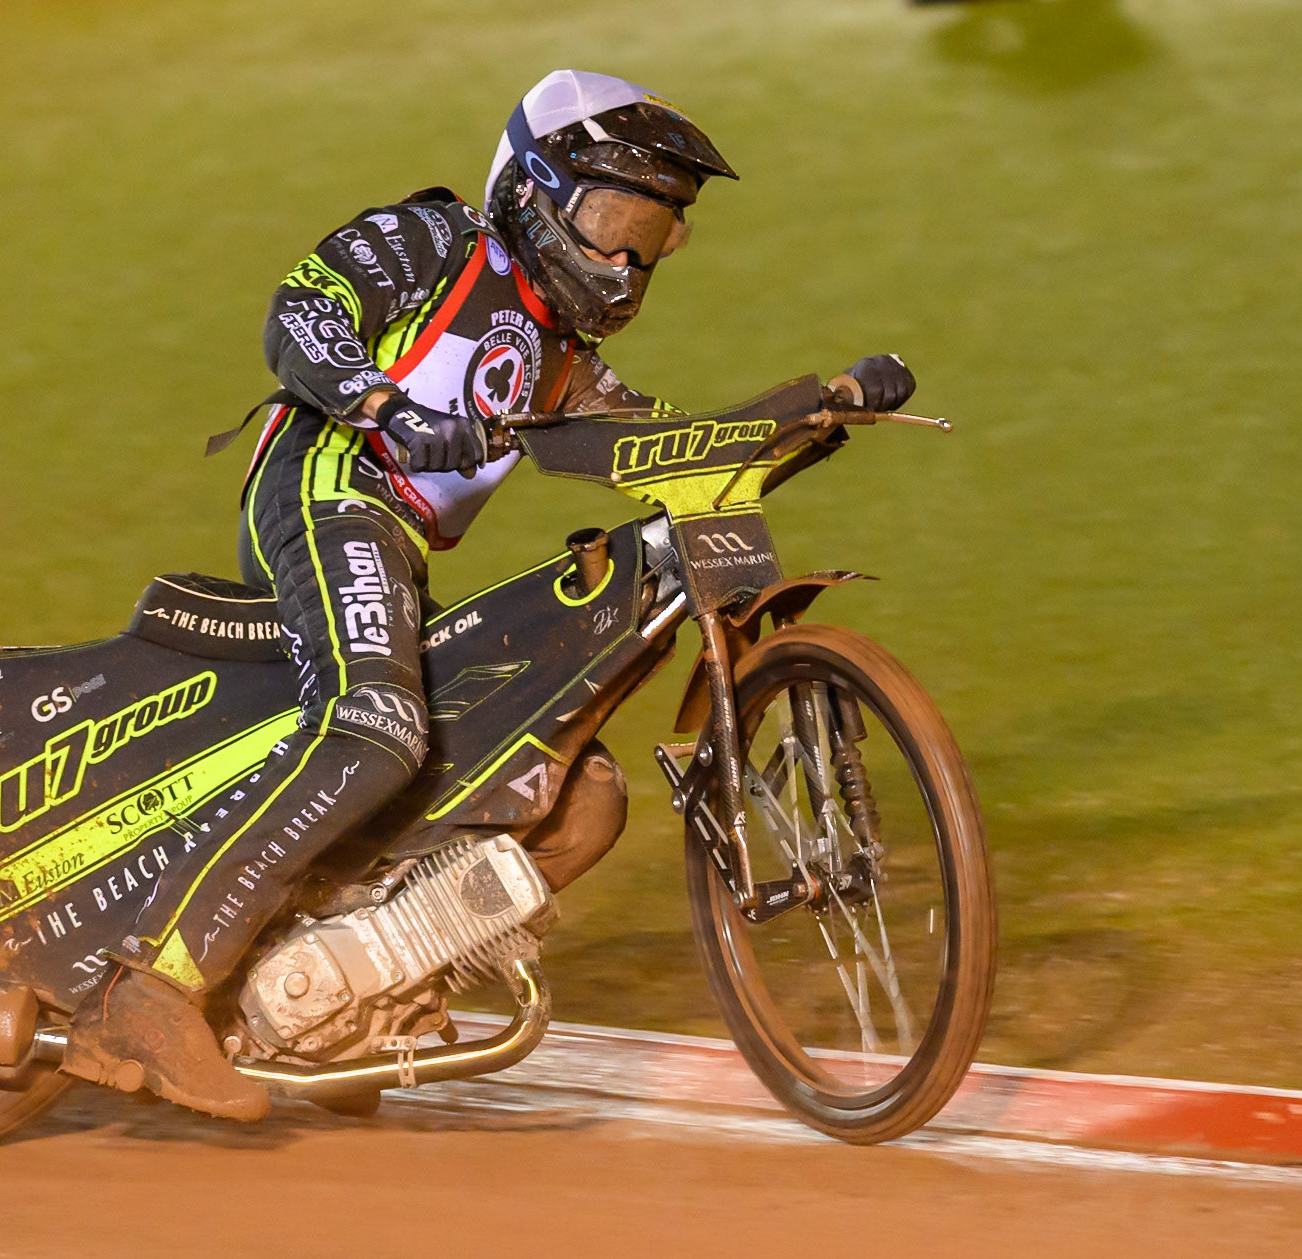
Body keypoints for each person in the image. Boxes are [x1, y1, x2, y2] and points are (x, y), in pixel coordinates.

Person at [62, 69, 917, 1120]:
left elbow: (668, 452)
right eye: (608, 222)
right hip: (328, 485)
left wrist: (817, 412)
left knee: (574, 794)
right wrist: (385, 407)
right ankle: (147, 992)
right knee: (375, 723)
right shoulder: (435, 245)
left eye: (648, 237)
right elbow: (301, 313)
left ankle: (344, 999)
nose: (623, 260)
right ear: (531, 191)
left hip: (398, 542)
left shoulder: (565, 357)